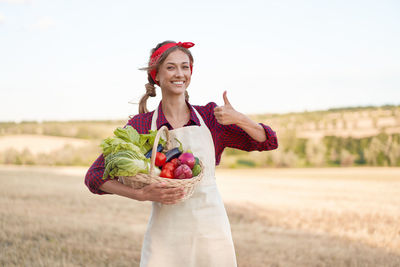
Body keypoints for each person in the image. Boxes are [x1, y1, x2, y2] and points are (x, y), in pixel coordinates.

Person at [85, 40, 278, 267]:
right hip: (165, 236)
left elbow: (268, 141)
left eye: (185, 67)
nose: (180, 74)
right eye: (171, 67)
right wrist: (142, 195)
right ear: (156, 75)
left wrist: (239, 118)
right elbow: (95, 176)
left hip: (211, 232)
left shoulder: (210, 117)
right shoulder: (142, 125)